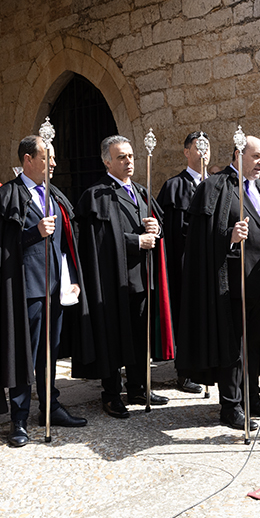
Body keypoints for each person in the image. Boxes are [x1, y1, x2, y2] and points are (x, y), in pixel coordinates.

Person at [176, 135, 260, 430]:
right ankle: (231, 406)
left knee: (254, 344)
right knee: (233, 346)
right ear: (238, 155)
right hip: (231, 283)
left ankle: (252, 397)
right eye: (256, 156)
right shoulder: (215, 187)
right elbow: (198, 238)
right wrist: (228, 238)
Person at [0, 136, 88, 448]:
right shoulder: (6, 198)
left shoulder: (55, 195)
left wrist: (72, 277)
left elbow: (66, 243)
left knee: (50, 352)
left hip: (55, 288)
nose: (53, 163)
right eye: (46, 157)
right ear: (28, 159)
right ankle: (19, 417)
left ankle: (50, 407)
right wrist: (33, 233)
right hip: (25, 290)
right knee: (23, 355)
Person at [74, 135, 174, 418]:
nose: (128, 161)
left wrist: (156, 228)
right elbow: (99, 239)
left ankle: (138, 386)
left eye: (130, 156)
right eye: (121, 157)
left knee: (140, 335)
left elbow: (157, 227)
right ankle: (111, 393)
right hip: (112, 279)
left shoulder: (141, 191)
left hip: (141, 277)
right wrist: (135, 241)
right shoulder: (96, 195)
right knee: (113, 335)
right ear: (107, 162)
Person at [155, 132, 210, 394]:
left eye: (207, 147)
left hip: (214, 263)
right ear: (187, 152)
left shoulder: (217, 184)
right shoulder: (174, 187)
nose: (203, 152)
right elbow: (173, 231)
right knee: (187, 316)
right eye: (198, 147)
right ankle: (185, 372)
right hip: (186, 264)